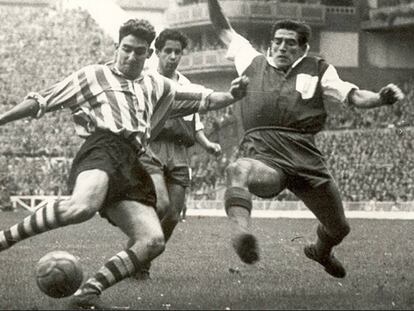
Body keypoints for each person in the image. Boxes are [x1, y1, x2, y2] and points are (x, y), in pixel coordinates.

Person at [0, 18, 248, 309]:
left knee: (153, 240)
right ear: (116, 47)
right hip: (103, 146)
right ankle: (3, 240)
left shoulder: (159, 85)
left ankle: (87, 294)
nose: (131, 57)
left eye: (139, 52)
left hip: (133, 160)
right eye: (126, 49)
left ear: (148, 55)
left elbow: (204, 99)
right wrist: (2, 119)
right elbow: (42, 101)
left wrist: (233, 94)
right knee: (82, 207)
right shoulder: (91, 76)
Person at [207, 0, 405, 278]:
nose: (282, 47)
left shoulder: (319, 69)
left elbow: (353, 95)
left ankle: (320, 251)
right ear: (270, 44)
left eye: (290, 43)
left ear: (303, 48)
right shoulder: (250, 60)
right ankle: (241, 235)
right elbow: (222, 28)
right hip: (264, 153)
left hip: (304, 156)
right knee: (238, 169)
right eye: (277, 42)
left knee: (339, 228)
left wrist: (380, 99)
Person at [135, 29, 222, 280]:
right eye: (168, 51)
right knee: (154, 208)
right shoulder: (147, 81)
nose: (173, 56)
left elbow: (194, 122)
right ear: (158, 53)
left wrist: (207, 144)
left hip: (180, 152)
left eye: (177, 52)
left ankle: (140, 257)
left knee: (173, 214)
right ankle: (139, 263)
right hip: (152, 148)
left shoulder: (187, 85)